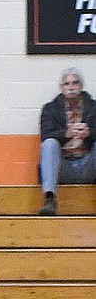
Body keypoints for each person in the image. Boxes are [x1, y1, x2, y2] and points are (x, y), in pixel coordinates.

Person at [38, 67, 96, 214]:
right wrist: (66, 134)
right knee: (49, 144)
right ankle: (49, 200)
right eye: (67, 84)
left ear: (81, 86)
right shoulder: (50, 109)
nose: (71, 87)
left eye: (75, 83)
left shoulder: (93, 107)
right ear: (62, 88)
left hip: (88, 165)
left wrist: (89, 134)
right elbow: (45, 135)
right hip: (62, 167)